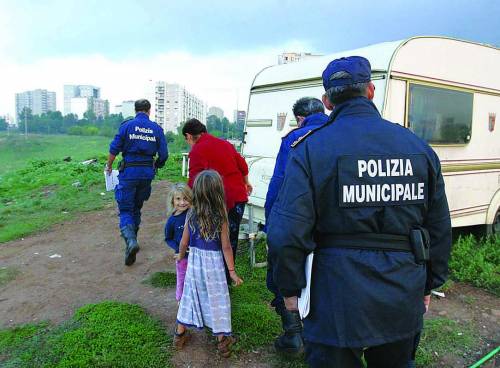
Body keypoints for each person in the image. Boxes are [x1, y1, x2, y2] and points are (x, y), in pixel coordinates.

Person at [267, 56, 452, 367]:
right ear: (370, 91)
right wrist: (429, 283)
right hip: (401, 289)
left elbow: (286, 232)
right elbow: (439, 228)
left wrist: (289, 289)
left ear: (327, 101)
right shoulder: (417, 147)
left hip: (334, 298)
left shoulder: (311, 149)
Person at [264, 97, 329, 355]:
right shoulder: (338, 131)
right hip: (333, 225)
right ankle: (318, 337)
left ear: (300, 118)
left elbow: (278, 185)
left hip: (297, 221)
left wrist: (272, 224)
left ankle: (293, 334)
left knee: (286, 273)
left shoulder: (293, 140)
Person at [174, 170, 243, 357]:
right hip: (214, 269)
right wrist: (232, 271)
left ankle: (179, 334)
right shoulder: (221, 218)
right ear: (218, 192)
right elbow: (226, 247)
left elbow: (183, 242)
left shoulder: (191, 214)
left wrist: (181, 256)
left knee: (189, 296)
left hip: (195, 265)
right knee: (218, 300)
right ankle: (222, 342)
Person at [182, 118, 252, 281]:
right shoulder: (225, 144)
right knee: (230, 238)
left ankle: (213, 277)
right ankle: (229, 276)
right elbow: (243, 166)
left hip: (217, 201)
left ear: (189, 136)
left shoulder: (197, 150)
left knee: (212, 238)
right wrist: (246, 182)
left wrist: (187, 203)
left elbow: (193, 181)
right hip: (238, 198)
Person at [106, 99, 168, 266]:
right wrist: (156, 165)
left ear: (136, 110)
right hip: (146, 173)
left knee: (126, 208)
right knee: (137, 206)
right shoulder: (156, 129)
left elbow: (114, 149)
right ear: (149, 110)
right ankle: (132, 243)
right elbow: (164, 155)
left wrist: (109, 166)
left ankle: (131, 241)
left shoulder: (126, 126)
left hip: (129, 173)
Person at [165, 183, 193, 302]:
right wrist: (179, 248)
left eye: (185, 198)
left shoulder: (193, 215)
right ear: (172, 201)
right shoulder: (172, 220)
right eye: (178, 199)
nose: (182, 202)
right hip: (182, 257)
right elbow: (168, 238)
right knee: (182, 278)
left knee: (195, 279)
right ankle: (180, 300)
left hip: (196, 255)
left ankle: (194, 300)